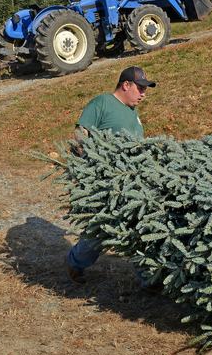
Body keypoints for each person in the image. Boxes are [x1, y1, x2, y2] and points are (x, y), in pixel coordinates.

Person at [65, 65, 156, 283]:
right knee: (100, 230)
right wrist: (91, 168)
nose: (143, 94)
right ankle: (75, 263)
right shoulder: (103, 103)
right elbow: (80, 135)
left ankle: (148, 279)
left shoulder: (132, 112)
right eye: (140, 88)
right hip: (106, 182)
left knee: (137, 227)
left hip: (133, 180)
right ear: (126, 85)